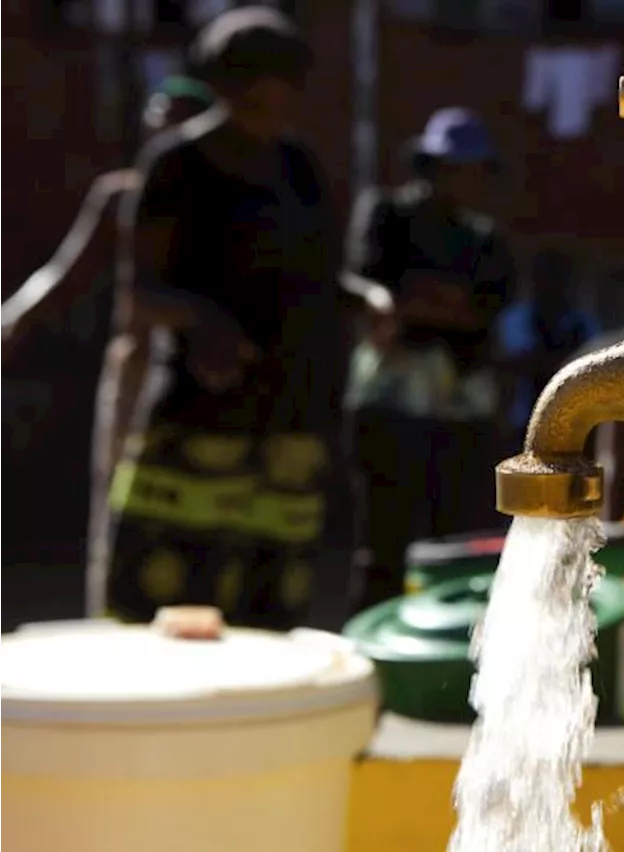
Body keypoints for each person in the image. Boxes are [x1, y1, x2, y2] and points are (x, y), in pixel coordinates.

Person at [105, 7, 351, 629]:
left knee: (268, 607)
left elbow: (320, 278)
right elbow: (141, 293)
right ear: (223, 85)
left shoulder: (301, 169)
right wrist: (206, 321)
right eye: (254, 90)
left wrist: (366, 301)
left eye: (282, 90)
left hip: (290, 415)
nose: (271, 104)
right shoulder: (176, 166)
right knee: (170, 594)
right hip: (201, 418)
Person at [0, 75, 217, 616]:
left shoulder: (222, 205)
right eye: (162, 116)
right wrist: (11, 322)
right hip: (136, 375)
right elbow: (63, 275)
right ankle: (117, 621)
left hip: (205, 381)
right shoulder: (122, 196)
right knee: (124, 508)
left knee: (201, 514)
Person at [344, 106, 515, 614]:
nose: (465, 180)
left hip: (459, 414)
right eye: (454, 167)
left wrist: (422, 301)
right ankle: (372, 645)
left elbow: (482, 310)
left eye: (474, 169)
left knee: (455, 543)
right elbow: (374, 288)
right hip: (390, 407)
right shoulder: (386, 217)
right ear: (431, 167)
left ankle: (443, 652)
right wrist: (432, 304)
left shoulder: (486, 241)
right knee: (383, 542)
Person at [494, 247, 599, 442]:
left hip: (573, 427)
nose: (552, 285)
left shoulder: (583, 323)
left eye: (558, 278)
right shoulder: (515, 319)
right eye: (546, 277)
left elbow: (594, 371)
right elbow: (521, 363)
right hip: (523, 425)